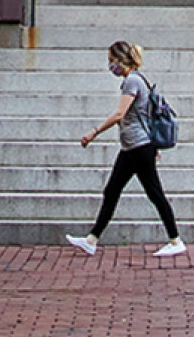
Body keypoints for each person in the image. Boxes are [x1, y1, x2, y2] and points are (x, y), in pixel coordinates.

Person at [66, 39, 186, 256]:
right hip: (134, 148)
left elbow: (120, 114)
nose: (110, 66)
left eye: (112, 61)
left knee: (154, 194)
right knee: (112, 191)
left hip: (138, 148)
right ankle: (92, 240)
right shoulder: (137, 79)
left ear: (122, 61)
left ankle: (176, 240)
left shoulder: (132, 81)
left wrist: (94, 132)